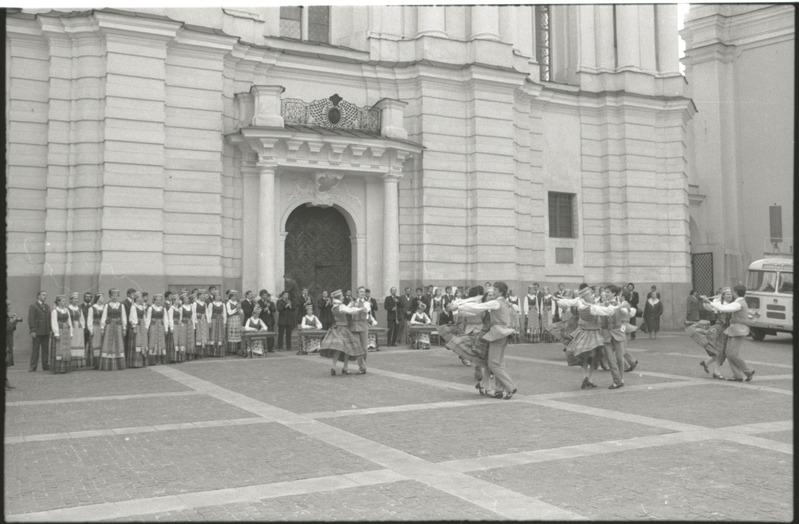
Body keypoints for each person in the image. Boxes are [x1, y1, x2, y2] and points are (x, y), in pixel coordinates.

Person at [451, 281, 518, 399]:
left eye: (495, 290)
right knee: (494, 363)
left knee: (493, 364)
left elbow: (478, 307)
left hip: (497, 334)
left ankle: (510, 387)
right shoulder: (505, 302)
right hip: (500, 334)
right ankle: (490, 386)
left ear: (500, 291)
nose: (493, 292)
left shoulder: (497, 302)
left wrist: (458, 306)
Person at [555, 285, 623, 389]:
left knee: (587, 356)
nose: (590, 295)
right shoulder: (589, 304)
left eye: (589, 293)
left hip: (587, 332)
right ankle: (588, 378)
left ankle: (587, 378)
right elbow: (606, 311)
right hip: (592, 332)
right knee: (592, 356)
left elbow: (566, 303)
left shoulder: (583, 302)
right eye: (588, 294)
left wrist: (559, 300)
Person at [702, 286, 755, 382]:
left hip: (738, 330)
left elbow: (723, 308)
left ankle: (748, 371)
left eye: (732, 292)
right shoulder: (739, 302)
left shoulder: (738, 303)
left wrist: (709, 301)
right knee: (728, 353)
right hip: (734, 330)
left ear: (735, 292)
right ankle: (737, 375)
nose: (731, 294)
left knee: (732, 354)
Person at [687, 287, 734, 379]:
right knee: (719, 351)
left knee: (722, 352)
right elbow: (711, 307)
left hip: (726, 330)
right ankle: (716, 371)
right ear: (723, 296)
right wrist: (707, 300)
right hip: (720, 328)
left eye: (730, 293)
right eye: (727, 294)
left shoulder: (732, 304)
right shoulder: (720, 304)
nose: (730, 295)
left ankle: (711, 366)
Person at [319, 290, 369, 375]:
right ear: (339, 297)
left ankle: (334, 367)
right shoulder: (341, 306)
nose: (343, 297)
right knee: (347, 348)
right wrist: (360, 309)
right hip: (344, 329)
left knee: (338, 349)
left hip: (336, 328)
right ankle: (345, 368)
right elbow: (350, 311)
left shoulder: (334, 306)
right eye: (341, 296)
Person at [599, 285, 636, 389]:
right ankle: (617, 381)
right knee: (610, 360)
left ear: (614, 294)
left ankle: (620, 378)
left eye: (608, 292)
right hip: (606, 334)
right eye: (605, 291)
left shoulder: (620, 303)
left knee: (620, 358)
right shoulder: (601, 304)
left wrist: (626, 310)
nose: (605, 293)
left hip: (618, 333)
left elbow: (629, 314)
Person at [99, 288, 127, 371]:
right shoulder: (107, 306)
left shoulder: (121, 306)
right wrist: (102, 328)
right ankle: (108, 365)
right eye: (113, 295)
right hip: (109, 326)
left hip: (118, 326)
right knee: (108, 344)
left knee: (118, 344)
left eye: (116, 295)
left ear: (118, 296)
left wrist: (124, 328)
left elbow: (124, 317)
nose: (114, 297)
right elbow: (104, 317)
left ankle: (119, 365)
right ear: (110, 296)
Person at [49, 295, 73, 374]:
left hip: (66, 332)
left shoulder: (66, 310)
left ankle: (64, 368)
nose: (64, 302)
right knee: (58, 349)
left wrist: (71, 332)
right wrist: (56, 333)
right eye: (63, 301)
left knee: (65, 349)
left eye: (65, 301)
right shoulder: (55, 311)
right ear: (58, 302)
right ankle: (56, 368)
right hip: (59, 332)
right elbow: (54, 323)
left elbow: (69, 321)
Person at [28, 290, 51, 372]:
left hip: (46, 332)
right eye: (43, 295)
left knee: (45, 350)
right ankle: (33, 366)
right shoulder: (33, 306)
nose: (45, 296)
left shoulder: (47, 306)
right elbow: (31, 319)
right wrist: (32, 330)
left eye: (46, 295)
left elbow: (49, 319)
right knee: (35, 349)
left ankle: (45, 365)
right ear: (38, 296)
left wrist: (50, 329)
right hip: (37, 332)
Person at [349, 286, 373, 356]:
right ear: (357, 293)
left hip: (363, 324)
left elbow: (367, 309)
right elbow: (347, 310)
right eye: (361, 291)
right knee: (356, 347)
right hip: (355, 325)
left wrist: (359, 308)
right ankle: (360, 364)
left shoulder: (366, 303)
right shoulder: (353, 303)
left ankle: (363, 365)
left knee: (364, 347)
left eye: (364, 292)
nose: (363, 293)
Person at [146, 294, 169, 365]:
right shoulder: (151, 308)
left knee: (161, 342)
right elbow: (148, 319)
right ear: (154, 301)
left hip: (161, 327)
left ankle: (160, 360)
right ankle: (153, 360)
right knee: (153, 341)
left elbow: (165, 319)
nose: (158, 302)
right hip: (153, 327)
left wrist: (166, 329)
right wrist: (147, 328)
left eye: (160, 300)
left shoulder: (163, 309)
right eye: (157, 300)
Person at [127, 292, 148, 368]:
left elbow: (145, 317)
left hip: (142, 326)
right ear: (136, 299)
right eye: (140, 298)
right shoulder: (133, 307)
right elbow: (132, 318)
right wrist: (134, 327)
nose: (141, 299)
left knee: (143, 342)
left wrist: (145, 326)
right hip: (136, 327)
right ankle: (135, 363)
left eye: (141, 297)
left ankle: (142, 362)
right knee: (137, 343)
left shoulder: (142, 307)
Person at [67, 292, 87, 370]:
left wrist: (82, 326)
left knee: (79, 343)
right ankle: (71, 363)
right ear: (71, 300)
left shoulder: (79, 309)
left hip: (78, 328)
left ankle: (78, 363)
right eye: (74, 299)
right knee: (72, 343)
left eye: (77, 299)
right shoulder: (68, 308)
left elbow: (81, 318)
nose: (76, 300)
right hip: (72, 327)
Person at [7, 299, 24, 389]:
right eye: (8, 305)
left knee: (6, 363)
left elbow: (11, 329)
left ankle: (6, 382)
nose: (10, 306)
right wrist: (11, 322)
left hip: (8, 342)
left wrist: (14, 322)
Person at [86, 293, 105, 369]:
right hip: (96, 327)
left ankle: (102, 361)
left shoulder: (104, 307)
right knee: (95, 344)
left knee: (102, 343)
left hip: (103, 327)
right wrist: (90, 329)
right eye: (102, 297)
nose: (103, 299)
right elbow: (89, 320)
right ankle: (95, 362)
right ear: (97, 298)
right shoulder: (92, 308)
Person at [208, 292, 227, 357]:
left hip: (220, 321)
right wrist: (209, 322)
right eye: (217, 296)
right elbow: (209, 313)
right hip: (214, 320)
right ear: (214, 297)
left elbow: (224, 313)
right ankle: (213, 352)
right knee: (213, 334)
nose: (218, 297)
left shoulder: (222, 304)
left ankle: (220, 352)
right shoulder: (211, 304)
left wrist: (224, 322)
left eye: (219, 296)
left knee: (220, 334)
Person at [193, 290, 210, 358]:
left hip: (203, 321)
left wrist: (208, 321)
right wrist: (195, 322)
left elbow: (207, 313)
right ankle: (198, 353)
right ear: (199, 296)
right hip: (198, 321)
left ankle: (203, 352)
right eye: (202, 295)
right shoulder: (195, 303)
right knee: (198, 336)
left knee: (204, 335)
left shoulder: (204, 304)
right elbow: (194, 313)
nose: (204, 297)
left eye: (204, 295)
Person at [226, 290, 243, 356]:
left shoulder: (236, 302)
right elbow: (229, 312)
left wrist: (239, 308)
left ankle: (237, 349)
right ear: (231, 297)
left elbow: (241, 312)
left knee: (237, 333)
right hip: (231, 319)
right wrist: (236, 309)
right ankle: (231, 350)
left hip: (237, 318)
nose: (235, 297)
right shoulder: (228, 303)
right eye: (234, 296)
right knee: (232, 333)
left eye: (235, 296)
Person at [79, 291, 94, 367]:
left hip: (92, 329)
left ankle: (90, 361)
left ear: (91, 298)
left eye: (89, 297)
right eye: (86, 297)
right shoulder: (80, 307)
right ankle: (82, 362)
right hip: (84, 329)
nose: (88, 298)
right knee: (83, 345)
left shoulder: (94, 307)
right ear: (84, 298)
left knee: (92, 345)